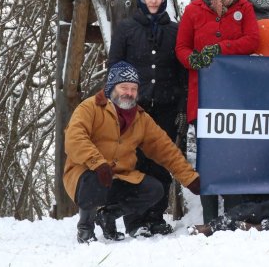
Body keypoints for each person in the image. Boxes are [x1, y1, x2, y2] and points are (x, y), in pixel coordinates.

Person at [64, 61, 200, 244]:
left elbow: (165, 149)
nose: (129, 93)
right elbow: (75, 138)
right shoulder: (89, 108)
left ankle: (109, 215)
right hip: (86, 175)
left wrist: (189, 178)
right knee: (94, 180)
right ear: (112, 87)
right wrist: (98, 163)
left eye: (133, 88)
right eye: (124, 87)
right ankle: (85, 228)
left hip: (121, 176)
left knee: (154, 189)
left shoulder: (141, 118)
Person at [176, 0, 260, 222]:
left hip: (234, 92)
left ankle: (233, 214)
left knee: (233, 155)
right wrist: (194, 59)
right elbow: (181, 47)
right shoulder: (194, 9)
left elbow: (252, 40)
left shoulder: (244, 6)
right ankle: (210, 217)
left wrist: (221, 50)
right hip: (203, 92)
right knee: (207, 157)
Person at [106, 0, 188, 235]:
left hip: (166, 104)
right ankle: (135, 219)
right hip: (134, 107)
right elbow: (115, 65)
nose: (154, 0)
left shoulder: (174, 30)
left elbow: (182, 71)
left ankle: (156, 216)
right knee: (135, 160)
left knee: (161, 161)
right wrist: (116, 102)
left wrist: (183, 104)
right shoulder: (127, 28)